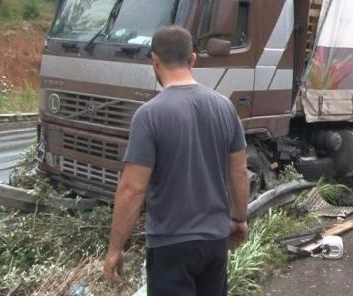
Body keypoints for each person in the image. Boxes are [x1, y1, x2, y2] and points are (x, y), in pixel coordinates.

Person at [103, 25, 249, 296]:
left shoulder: (149, 115)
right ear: (193, 59)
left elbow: (132, 189)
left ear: (154, 60)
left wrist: (115, 247)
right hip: (214, 242)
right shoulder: (224, 107)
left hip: (170, 244)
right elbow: (239, 172)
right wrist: (239, 218)